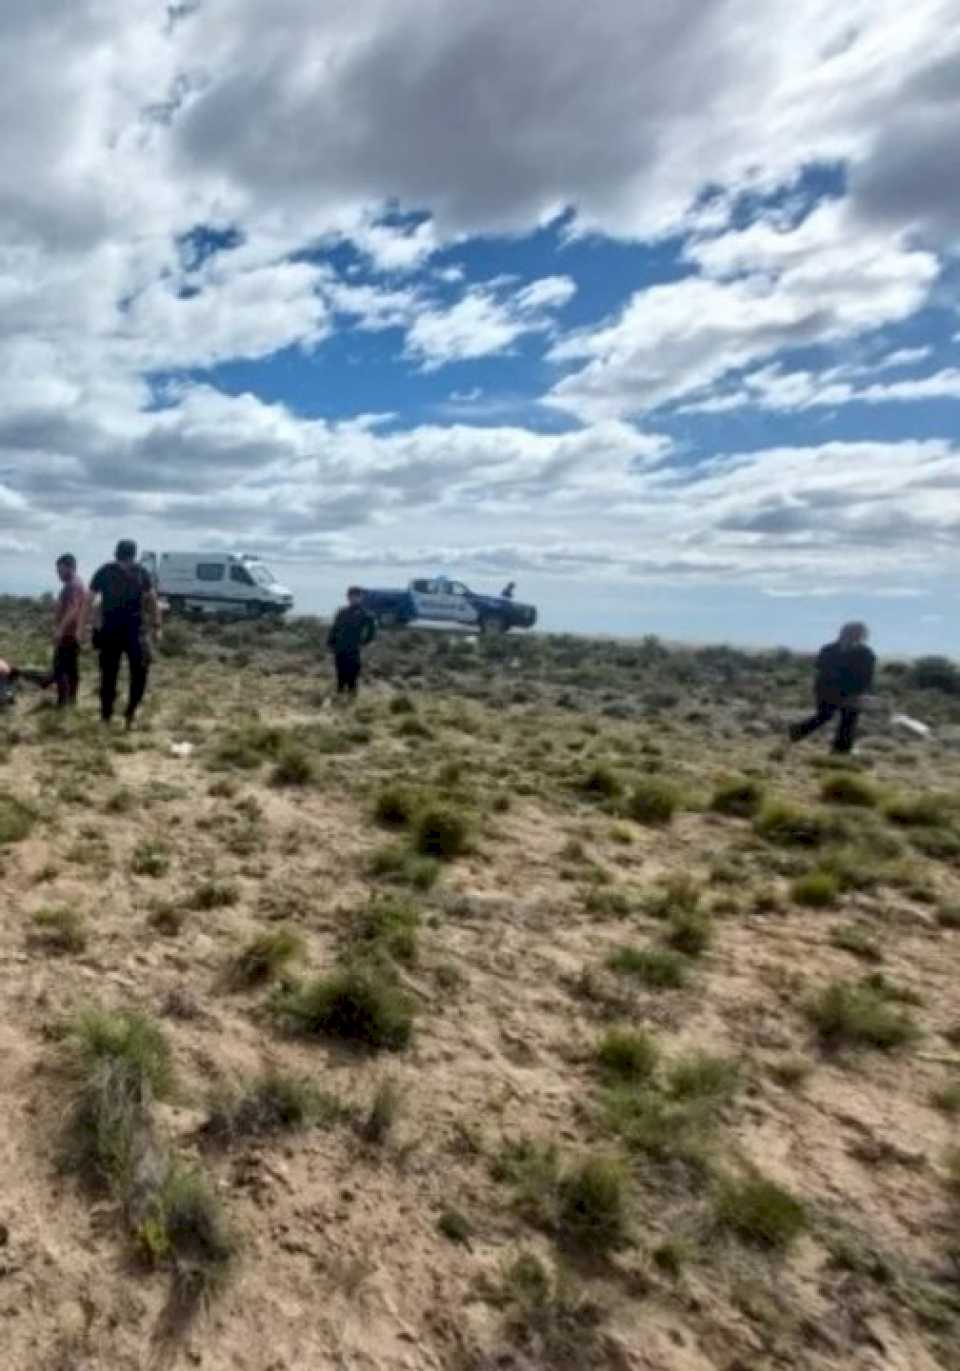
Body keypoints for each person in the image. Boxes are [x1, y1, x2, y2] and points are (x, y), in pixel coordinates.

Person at [81, 539, 162, 727]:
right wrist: (157, 626)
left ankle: (118, 715)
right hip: (125, 631)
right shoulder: (135, 572)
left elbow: (88, 601)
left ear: (116, 552)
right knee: (118, 674)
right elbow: (152, 601)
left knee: (121, 674)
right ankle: (119, 715)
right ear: (133, 554)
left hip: (123, 630)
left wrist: (83, 628)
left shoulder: (109, 571)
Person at [789, 622, 875, 755]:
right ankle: (799, 732)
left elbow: (866, 675)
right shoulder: (833, 650)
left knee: (846, 718)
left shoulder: (864, 653)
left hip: (845, 691)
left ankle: (839, 749)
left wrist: (862, 693)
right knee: (829, 716)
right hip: (830, 689)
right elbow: (822, 668)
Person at [42, 554, 85, 707]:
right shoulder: (75, 584)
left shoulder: (73, 585)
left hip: (68, 634)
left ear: (70, 567)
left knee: (61, 670)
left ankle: (63, 703)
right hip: (73, 634)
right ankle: (71, 702)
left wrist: (60, 629)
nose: (57, 573)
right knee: (71, 669)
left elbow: (73, 609)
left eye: (60, 569)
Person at [327, 586, 376, 698]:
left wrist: (365, 642)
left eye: (357, 596)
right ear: (348, 598)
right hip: (340, 648)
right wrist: (330, 642)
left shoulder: (365, 614)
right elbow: (334, 628)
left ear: (361, 598)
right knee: (340, 674)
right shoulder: (342, 612)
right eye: (351, 596)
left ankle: (352, 699)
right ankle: (339, 696)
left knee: (352, 675)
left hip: (354, 649)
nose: (354, 599)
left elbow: (372, 631)